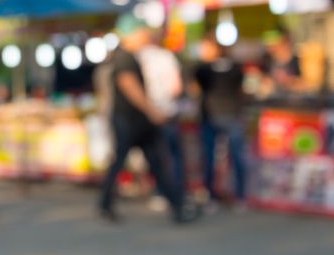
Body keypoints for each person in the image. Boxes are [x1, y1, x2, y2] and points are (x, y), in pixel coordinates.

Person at [98, 15, 195, 224]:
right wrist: (151, 110)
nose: (146, 36)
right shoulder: (124, 57)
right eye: (142, 32)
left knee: (156, 163)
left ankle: (176, 205)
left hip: (138, 121)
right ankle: (106, 203)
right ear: (131, 34)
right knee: (123, 163)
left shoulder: (132, 56)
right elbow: (129, 85)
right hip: (128, 121)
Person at [193, 35, 248, 212]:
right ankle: (239, 196)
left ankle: (213, 196)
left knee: (211, 157)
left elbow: (196, 89)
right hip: (230, 115)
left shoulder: (203, 69)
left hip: (213, 116)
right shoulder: (236, 68)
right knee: (235, 157)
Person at [138, 38, 186, 205]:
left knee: (155, 156)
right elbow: (176, 88)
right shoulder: (167, 57)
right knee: (173, 155)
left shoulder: (139, 58)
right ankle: (177, 192)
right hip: (167, 111)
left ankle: (160, 191)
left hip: (148, 112)